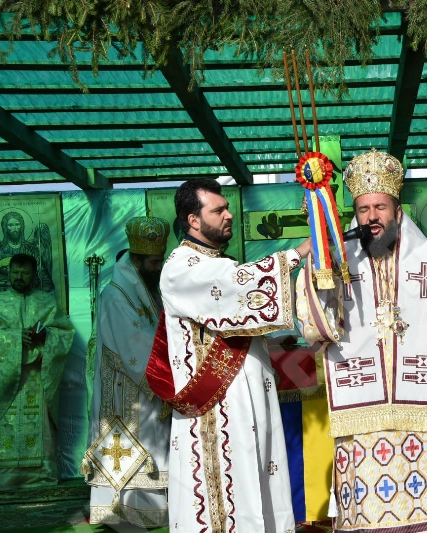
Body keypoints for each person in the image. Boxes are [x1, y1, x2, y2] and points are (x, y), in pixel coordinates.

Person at [296, 148, 427, 533]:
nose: (372, 217)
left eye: (380, 208)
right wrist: (316, 274)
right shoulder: (338, 262)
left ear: (397, 213)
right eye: (363, 209)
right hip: (360, 404)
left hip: (421, 408)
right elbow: (314, 324)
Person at [145, 178, 310, 533]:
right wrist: (298, 253)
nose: (229, 215)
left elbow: (234, 311)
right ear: (193, 220)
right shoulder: (181, 267)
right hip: (216, 406)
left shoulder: (216, 262)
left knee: (258, 477)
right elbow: (236, 284)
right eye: (218, 210)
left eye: (227, 208)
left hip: (246, 398)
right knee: (224, 491)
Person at [84, 216, 171, 527]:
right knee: (129, 450)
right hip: (125, 389)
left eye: (160, 261)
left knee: (151, 445)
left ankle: (150, 512)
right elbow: (135, 343)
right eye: (153, 263)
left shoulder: (147, 290)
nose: (158, 268)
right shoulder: (116, 295)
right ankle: (122, 513)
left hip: (144, 386)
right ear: (136, 260)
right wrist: (172, 366)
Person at [0, 253, 74, 490]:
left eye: (25, 273)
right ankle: (5, 477)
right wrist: (13, 337)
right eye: (15, 272)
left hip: (37, 379)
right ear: (9, 273)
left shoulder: (45, 302)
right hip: (6, 381)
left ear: (34, 275)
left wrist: (47, 335)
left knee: (39, 425)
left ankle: (42, 475)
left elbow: (65, 333)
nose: (19, 277)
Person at [0, 212, 54, 293]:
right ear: (5, 228)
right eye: (11, 225)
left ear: (21, 226)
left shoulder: (31, 249)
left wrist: (45, 287)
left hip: (27, 292)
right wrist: (4, 283)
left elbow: (41, 273)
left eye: (17, 224)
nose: (15, 228)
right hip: (1, 293)